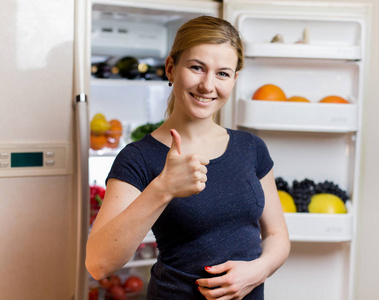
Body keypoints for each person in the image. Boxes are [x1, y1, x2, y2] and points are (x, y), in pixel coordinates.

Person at [85, 16, 290, 300]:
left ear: (234, 80)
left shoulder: (251, 147)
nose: (207, 85)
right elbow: (99, 263)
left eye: (222, 73)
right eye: (197, 68)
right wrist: (163, 188)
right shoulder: (139, 157)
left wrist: (259, 270)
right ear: (171, 68)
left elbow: (278, 235)